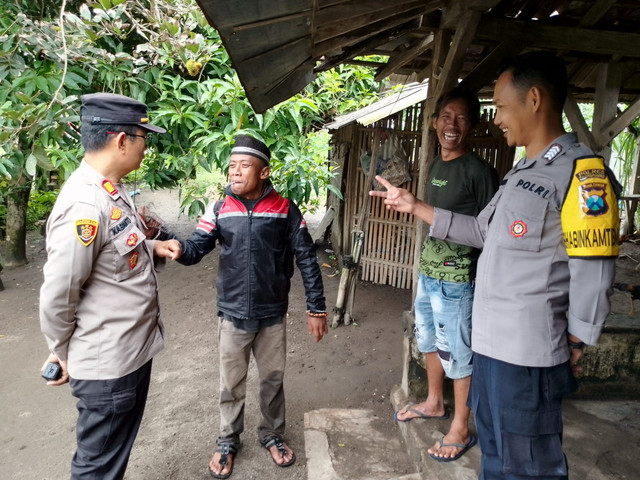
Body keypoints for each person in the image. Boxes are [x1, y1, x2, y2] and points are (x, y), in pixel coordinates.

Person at [371, 51, 620, 479]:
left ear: (535, 99)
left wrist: (577, 340)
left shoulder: (581, 174)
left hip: (528, 354)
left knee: (527, 465)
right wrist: (415, 206)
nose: (497, 118)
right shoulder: (520, 173)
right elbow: (482, 233)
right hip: (490, 347)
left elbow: (593, 267)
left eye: (502, 106)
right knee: (497, 457)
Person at [155, 134, 328, 479]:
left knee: (272, 381)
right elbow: (197, 248)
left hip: (272, 314)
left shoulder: (284, 209)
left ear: (264, 172)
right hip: (232, 314)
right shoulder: (221, 208)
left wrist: (316, 308)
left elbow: (307, 258)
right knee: (230, 384)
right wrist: (173, 247)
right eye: (232, 165)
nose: (235, 172)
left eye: (244, 166)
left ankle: (272, 435)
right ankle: (227, 440)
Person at [39, 93, 173, 479]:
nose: (145, 148)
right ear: (121, 141)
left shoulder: (109, 190)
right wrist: (60, 350)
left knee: (111, 460)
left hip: (128, 353)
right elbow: (59, 293)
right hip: (107, 366)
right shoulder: (84, 206)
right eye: (143, 138)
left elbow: (112, 255)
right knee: (97, 468)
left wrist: (152, 247)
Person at [393, 87, 498, 463]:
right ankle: (435, 403)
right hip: (429, 272)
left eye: (462, 118)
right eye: (446, 117)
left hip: (457, 280)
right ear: (435, 122)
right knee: (429, 342)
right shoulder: (436, 165)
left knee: (460, 354)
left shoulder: (480, 173)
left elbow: (492, 233)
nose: (452, 125)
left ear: (472, 125)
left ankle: (460, 427)